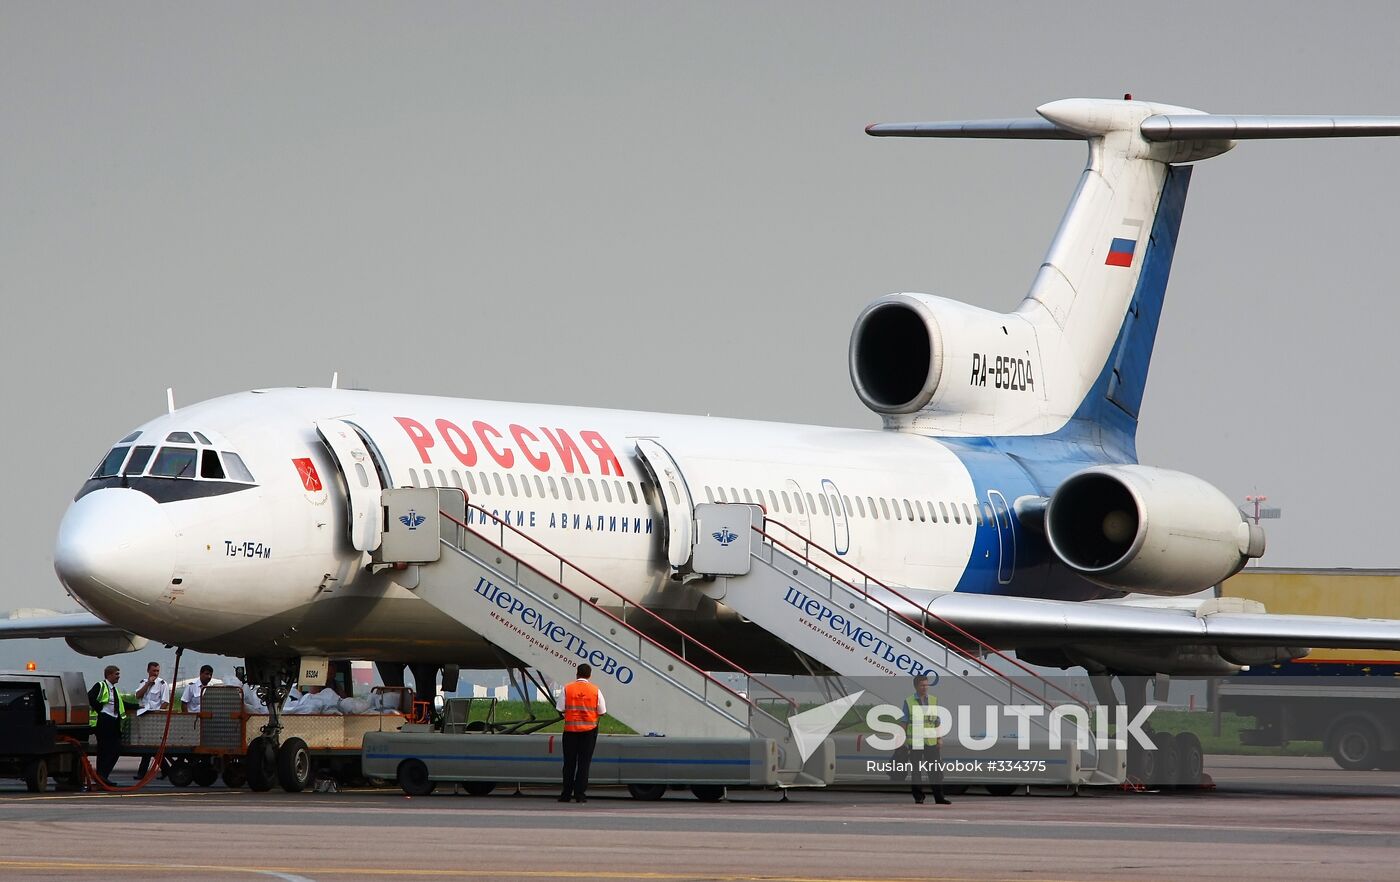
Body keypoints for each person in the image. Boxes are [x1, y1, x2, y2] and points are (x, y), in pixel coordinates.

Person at [556, 663, 606, 804]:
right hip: (589, 733)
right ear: (589, 675)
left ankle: (566, 794)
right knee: (584, 764)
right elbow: (602, 711)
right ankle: (580, 795)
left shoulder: (568, 688)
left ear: (577, 673)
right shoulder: (596, 690)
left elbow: (560, 708)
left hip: (570, 732)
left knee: (569, 764)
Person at [903, 673, 951, 805]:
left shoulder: (934, 700)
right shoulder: (908, 701)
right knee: (916, 771)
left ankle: (939, 797)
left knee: (935, 770)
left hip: (930, 740)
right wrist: (902, 740)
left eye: (926, 685)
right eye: (922, 685)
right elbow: (904, 722)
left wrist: (939, 738)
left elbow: (936, 721)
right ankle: (919, 797)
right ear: (916, 686)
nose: (925, 687)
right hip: (916, 740)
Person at [87, 664, 126, 786]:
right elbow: (90, 697)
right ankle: (101, 777)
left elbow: (121, 703)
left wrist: (139, 707)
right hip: (104, 722)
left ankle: (103, 775)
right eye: (116, 674)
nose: (118, 677)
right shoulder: (100, 686)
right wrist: (100, 710)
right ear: (109, 675)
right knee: (104, 750)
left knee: (115, 750)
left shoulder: (114, 690)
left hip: (114, 722)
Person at [133, 660, 171, 779]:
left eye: (157, 671)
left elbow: (165, 702)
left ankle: (142, 773)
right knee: (149, 747)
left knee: (150, 747)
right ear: (148, 671)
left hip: (155, 718)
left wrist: (158, 714)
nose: (156, 673)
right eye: (154, 671)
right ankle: (166, 770)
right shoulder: (143, 682)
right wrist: (148, 684)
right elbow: (138, 696)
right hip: (144, 717)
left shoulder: (163, 684)